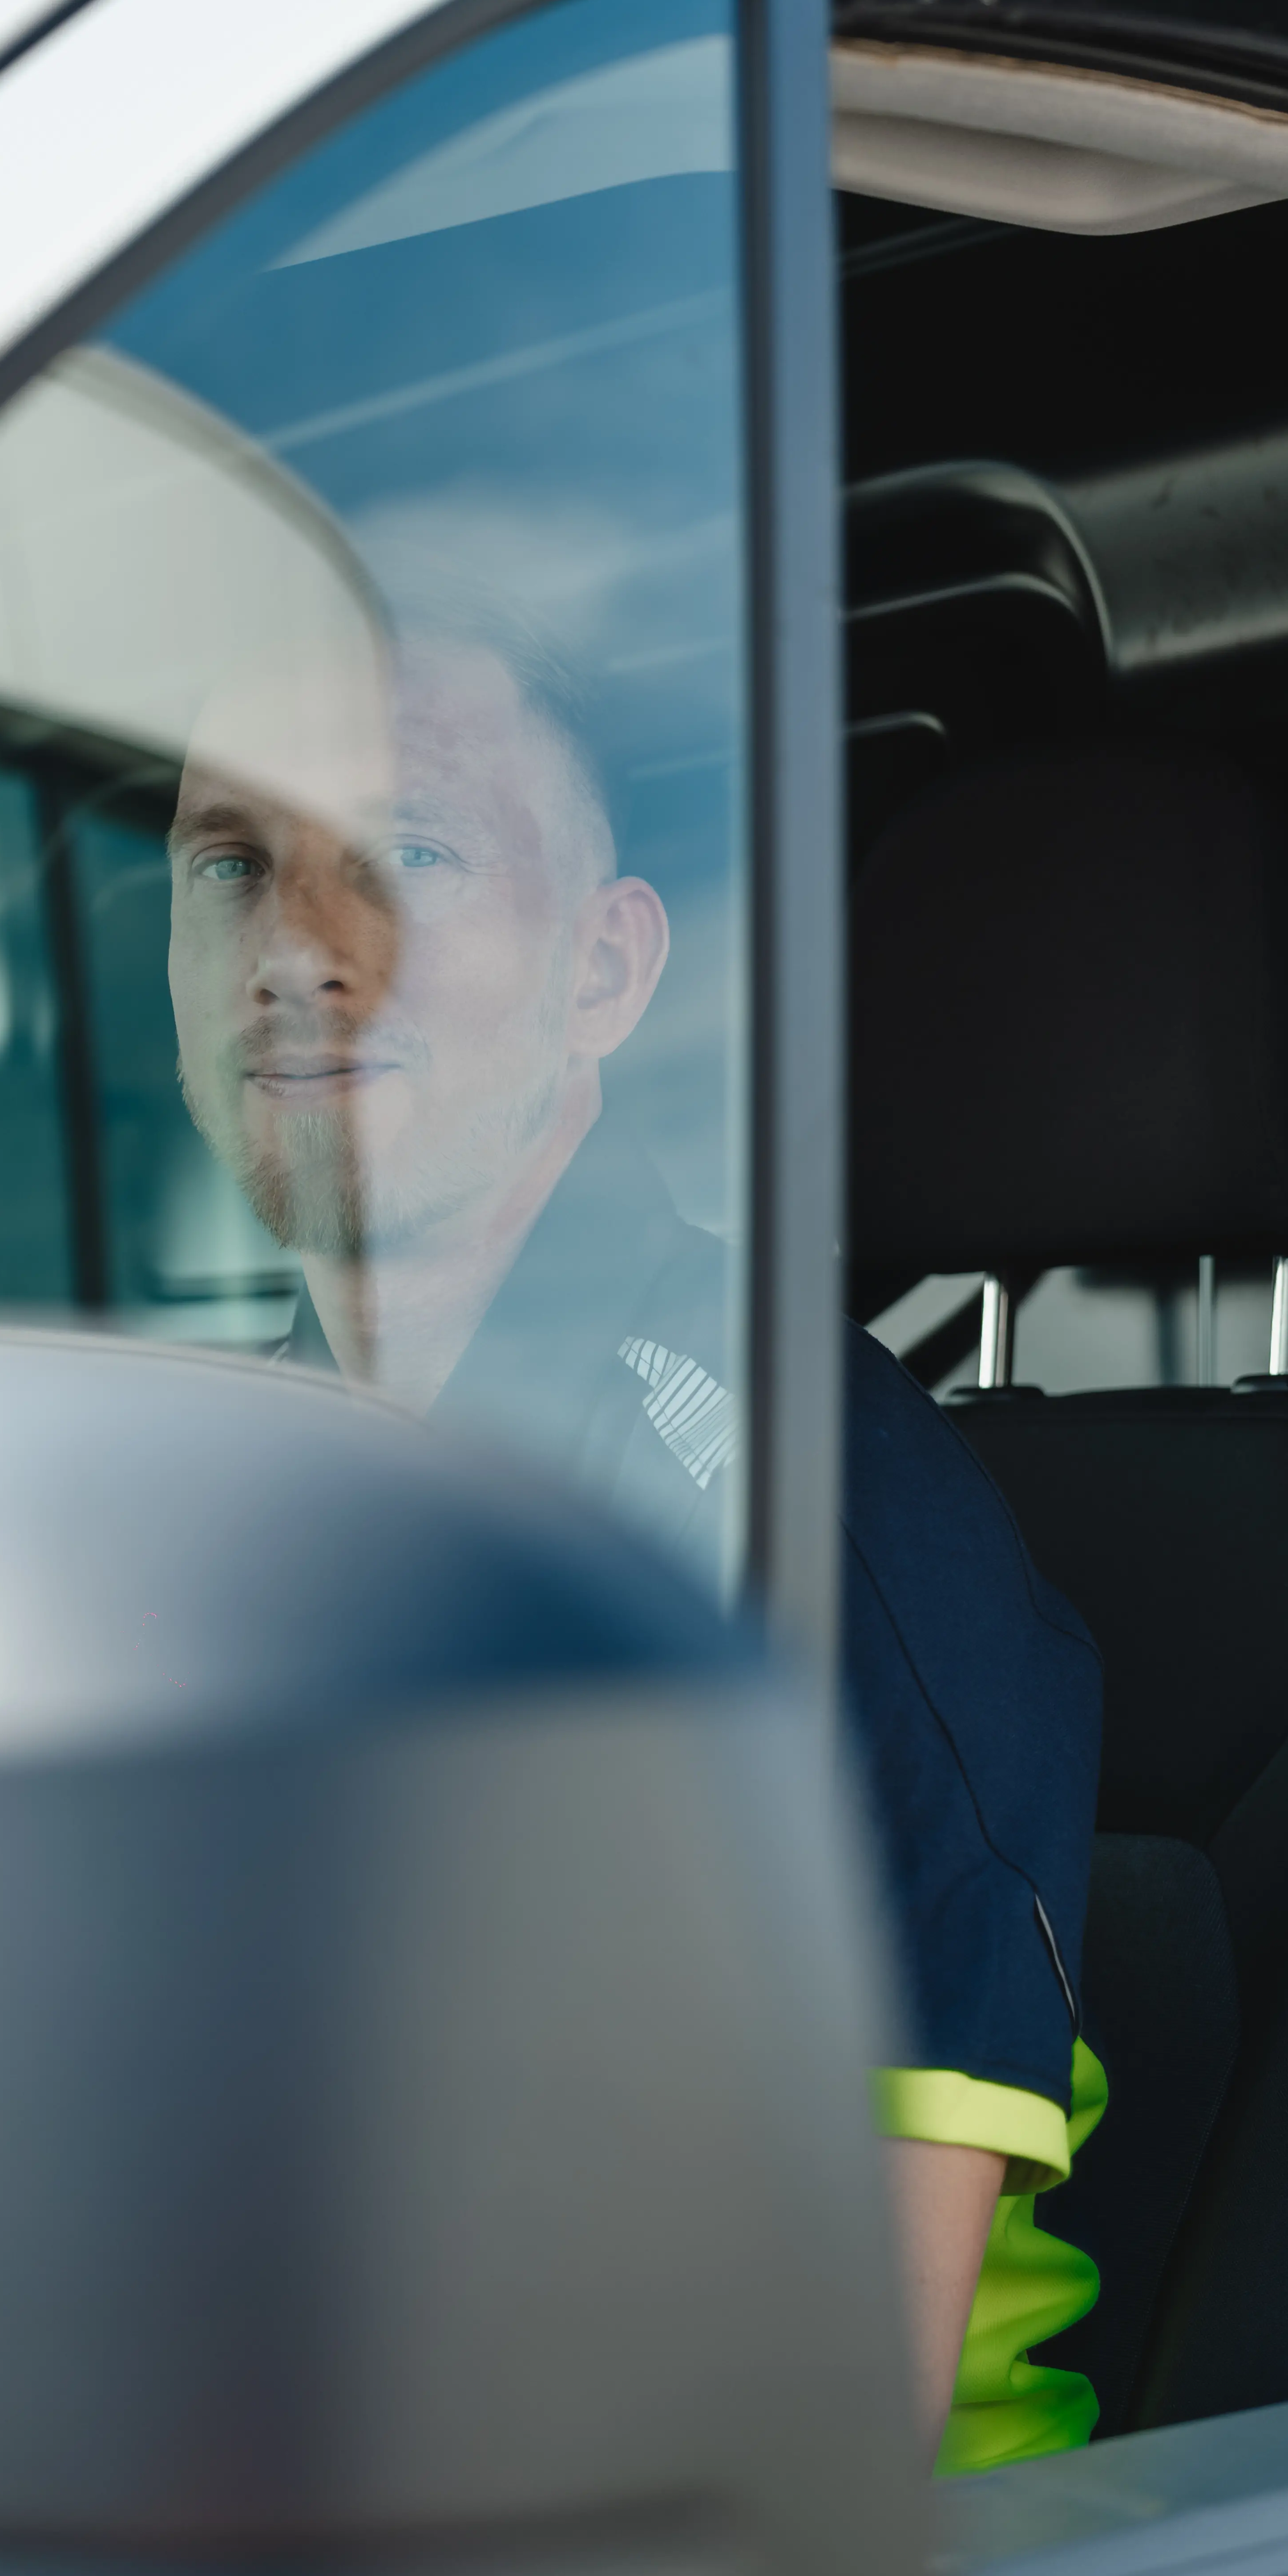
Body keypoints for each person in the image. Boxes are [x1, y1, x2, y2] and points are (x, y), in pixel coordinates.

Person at [166, 623, 1104, 2471]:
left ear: (602, 973)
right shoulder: (210, 1497)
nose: (293, 943)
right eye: (226, 865)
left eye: (412, 854)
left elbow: (811, 2444)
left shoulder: (798, 1516)